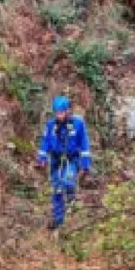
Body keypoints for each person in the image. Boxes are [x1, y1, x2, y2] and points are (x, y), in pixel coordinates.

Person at [36, 95, 92, 230]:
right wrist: (41, 159)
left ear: (67, 111)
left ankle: (72, 199)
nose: (59, 115)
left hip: (72, 160)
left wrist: (85, 165)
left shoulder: (78, 124)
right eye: (57, 113)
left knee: (66, 182)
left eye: (61, 112)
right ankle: (58, 220)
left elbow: (84, 145)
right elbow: (45, 143)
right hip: (56, 161)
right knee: (57, 189)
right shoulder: (51, 125)